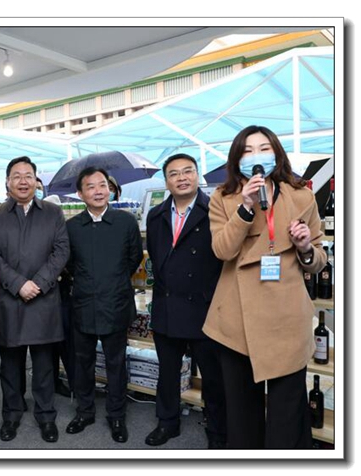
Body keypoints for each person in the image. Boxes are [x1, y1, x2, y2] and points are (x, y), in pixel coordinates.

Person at [203, 125, 327, 449]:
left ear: (276, 153)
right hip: (236, 320)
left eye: (263, 149)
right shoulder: (222, 198)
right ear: (236, 159)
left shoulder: (301, 196)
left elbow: (318, 260)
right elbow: (222, 251)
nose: (256, 157)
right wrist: (244, 208)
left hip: (287, 317)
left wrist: (305, 247)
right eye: (247, 151)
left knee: (288, 410)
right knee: (243, 413)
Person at [0, 156, 70, 443]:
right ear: (7, 182)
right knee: (10, 365)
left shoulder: (53, 213)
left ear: (36, 181)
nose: (23, 181)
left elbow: (61, 252)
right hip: (9, 300)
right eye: (17, 176)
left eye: (28, 175)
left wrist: (39, 283)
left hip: (43, 299)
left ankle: (46, 416)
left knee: (44, 364)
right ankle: (11, 414)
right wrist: (19, 284)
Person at [144, 153, 227, 448]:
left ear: (197, 175)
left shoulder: (215, 210)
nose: (182, 178)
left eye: (187, 171)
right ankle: (167, 423)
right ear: (166, 181)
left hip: (205, 306)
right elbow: (156, 256)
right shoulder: (156, 215)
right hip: (167, 304)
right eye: (174, 173)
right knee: (167, 372)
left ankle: (217, 431)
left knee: (213, 377)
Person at [64, 166, 142, 443]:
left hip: (116, 302)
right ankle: (84, 411)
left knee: (116, 363)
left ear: (109, 189)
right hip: (83, 303)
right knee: (82, 362)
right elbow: (69, 264)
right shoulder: (71, 227)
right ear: (80, 194)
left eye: (102, 185)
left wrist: (114, 281)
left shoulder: (126, 222)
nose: (98, 191)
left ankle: (116, 415)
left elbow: (134, 259)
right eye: (91, 186)